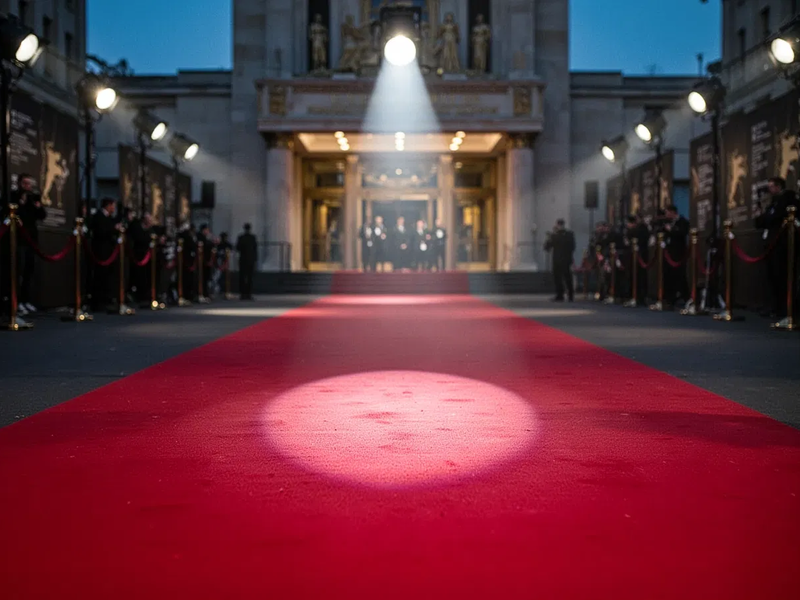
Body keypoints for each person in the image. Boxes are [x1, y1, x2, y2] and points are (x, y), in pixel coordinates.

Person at [754, 177, 796, 326]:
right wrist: (761, 213)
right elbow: (760, 222)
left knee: (781, 276)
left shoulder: (787, 199)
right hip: (771, 245)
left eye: (771, 186)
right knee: (771, 277)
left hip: (781, 244)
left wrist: (767, 217)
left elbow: (774, 218)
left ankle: (785, 308)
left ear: (778, 187)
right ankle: (774, 306)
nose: (769, 190)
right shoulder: (773, 202)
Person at [13, 174, 47, 315]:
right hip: (19, 239)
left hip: (31, 240)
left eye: (30, 184)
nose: (28, 186)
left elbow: (42, 215)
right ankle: (17, 302)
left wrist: (38, 206)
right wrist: (21, 202)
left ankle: (26, 300)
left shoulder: (33, 198)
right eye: (25, 183)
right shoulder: (14, 197)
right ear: (20, 183)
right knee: (19, 271)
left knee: (29, 271)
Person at [89, 198, 121, 312]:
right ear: (108, 205)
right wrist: (114, 228)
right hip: (101, 251)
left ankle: (106, 299)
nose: (114, 208)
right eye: (113, 206)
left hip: (109, 252)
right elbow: (101, 231)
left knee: (108, 276)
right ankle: (98, 302)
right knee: (100, 276)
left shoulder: (110, 218)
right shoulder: (99, 216)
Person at [662, 205, 690, 308]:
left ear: (672, 212)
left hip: (678, 252)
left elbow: (682, 233)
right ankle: (669, 299)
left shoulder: (683, 221)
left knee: (680, 275)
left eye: (667, 212)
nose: (666, 215)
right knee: (668, 276)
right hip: (668, 253)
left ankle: (686, 297)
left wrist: (671, 230)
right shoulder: (667, 222)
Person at [544, 219, 575, 302]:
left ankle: (570, 294)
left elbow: (572, 247)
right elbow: (547, 247)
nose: (559, 227)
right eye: (558, 225)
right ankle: (559, 294)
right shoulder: (554, 235)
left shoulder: (569, 234)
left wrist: (555, 236)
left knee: (567, 277)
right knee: (557, 278)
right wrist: (549, 238)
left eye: (561, 225)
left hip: (565, 259)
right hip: (556, 260)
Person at [236, 223, 257, 299]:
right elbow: (255, 249)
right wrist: (255, 259)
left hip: (243, 259)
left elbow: (238, 248)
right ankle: (249, 293)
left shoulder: (241, 237)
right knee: (250, 277)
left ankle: (242, 293)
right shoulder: (253, 238)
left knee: (242, 277)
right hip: (250, 260)